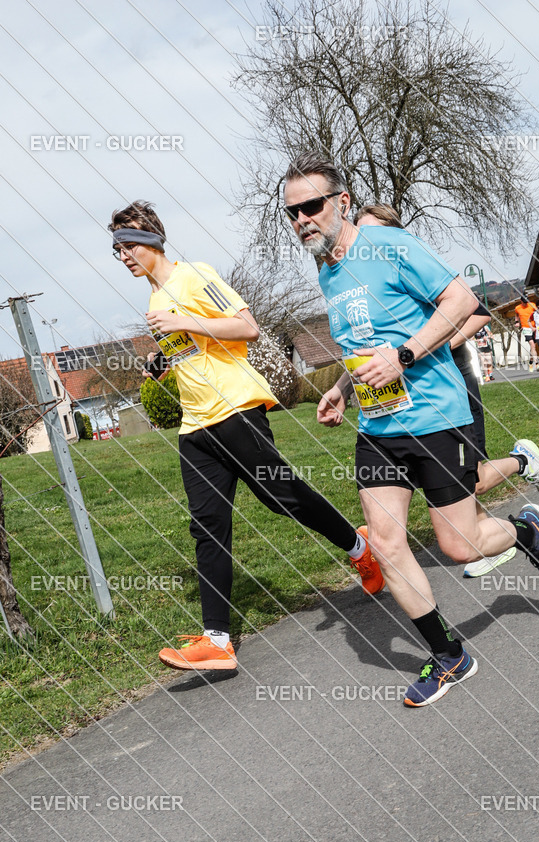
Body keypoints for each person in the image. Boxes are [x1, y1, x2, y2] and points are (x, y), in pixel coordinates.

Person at [284, 154, 539, 708]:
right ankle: (449, 656)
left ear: (341, 203)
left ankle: (527, 531)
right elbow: (366, 341)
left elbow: (462, 300)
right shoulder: (327, 268)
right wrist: (342, 388)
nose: (302, 220)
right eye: (293, 212)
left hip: (436, 415)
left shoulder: (389, 246)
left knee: (460, 546)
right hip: (378, 425)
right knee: (387, 544)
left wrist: (406, 355)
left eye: (312, 206)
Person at [108, 200, 384, 674]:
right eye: (118, 250)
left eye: (130, 245)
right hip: (195, 427)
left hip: (236, 410)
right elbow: (198, 351)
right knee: (206, 526)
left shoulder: (193, 275)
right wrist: (164, 362)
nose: (125, 256)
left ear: (154, 241)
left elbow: (247, 328)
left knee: (283, 498)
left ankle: (361, 548)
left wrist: (184, 322)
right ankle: (217, 641)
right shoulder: (154, 298)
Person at [354, 203, 539, 579]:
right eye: (360, 234)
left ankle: (522, 463)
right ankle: (484, 543)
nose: (364, 242)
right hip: (403, 403)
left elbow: (478, 311)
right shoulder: (371, 285)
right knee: (458, 489)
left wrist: (438, 344)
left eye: (372, 233)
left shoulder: (413, 267)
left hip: (450, 385)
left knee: (473, 480)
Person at [514, 294, 538, 372]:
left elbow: (538, 312)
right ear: (521, 301)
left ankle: (530, 362)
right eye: (524, 302)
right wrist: (517, 322)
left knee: (533, 347)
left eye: (526, 302)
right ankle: (537, 363)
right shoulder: (518, 308)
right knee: (532, 344)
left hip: (534, 328)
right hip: (525, 328)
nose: (525, 303)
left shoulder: (532, 305)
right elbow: (516, 315)